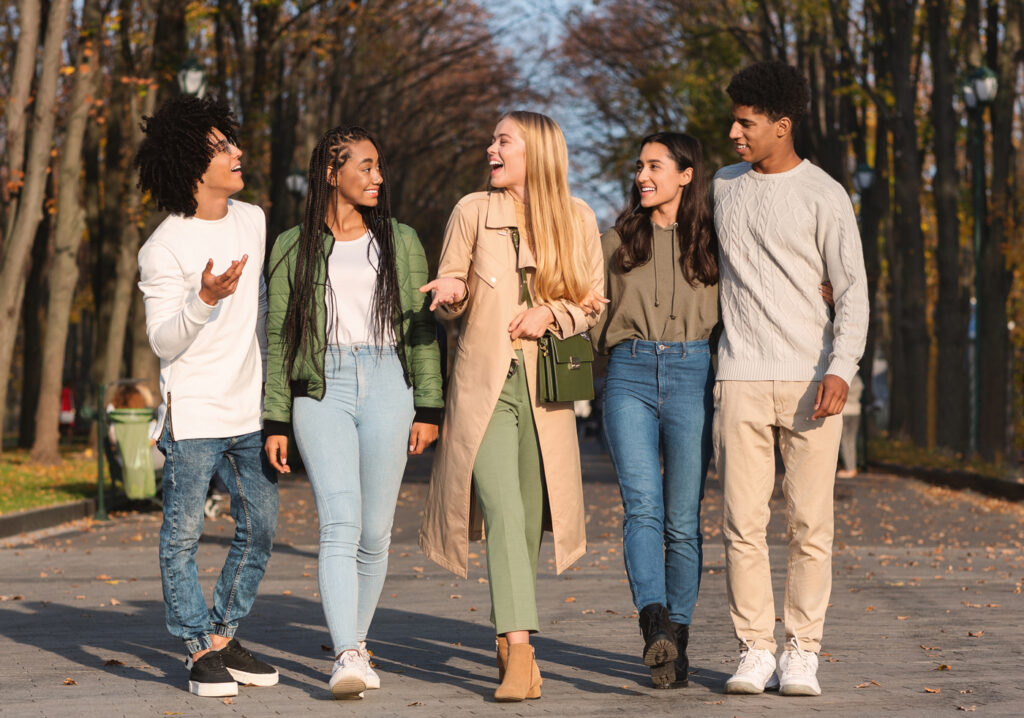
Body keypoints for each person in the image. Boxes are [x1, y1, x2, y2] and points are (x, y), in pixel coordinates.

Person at [418, 111, 605, 702]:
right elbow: (451, 285)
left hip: (548, 390)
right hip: (485, 386)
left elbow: (593, 304)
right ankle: (521, 652)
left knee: (525, 521)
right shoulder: (472, 210)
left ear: (537, 153)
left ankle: (508, 638)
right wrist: (450, 295)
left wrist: (551, 313)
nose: (490, 148)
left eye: (504, 140)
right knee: (500, 507)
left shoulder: (577, 218)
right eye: (493, 139)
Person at [262, 125, 443, 700]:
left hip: (390, 381)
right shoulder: (292, 245)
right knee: (339, 524)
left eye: (378, 166)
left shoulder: (401, 240)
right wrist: (276, 419)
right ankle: (345, 655)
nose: (377, 177)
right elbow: (277, 336)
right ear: (330, 173)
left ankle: (357, 646)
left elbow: (421, 327)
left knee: (376, 531)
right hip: (321, 386)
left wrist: (430, 404)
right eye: (364, 166)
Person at [712, 61, 869, 697]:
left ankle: (802, 649)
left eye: (746, 124)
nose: (733, 133)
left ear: (782, 126)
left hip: (811, 380)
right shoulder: (722, 187)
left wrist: (841, 367)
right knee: (741, 524)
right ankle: (755, 649)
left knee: (811, 526)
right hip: (741, 377)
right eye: (733, 121)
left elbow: (853, 290)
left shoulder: (825, 193)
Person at [135, 95, 279, 698]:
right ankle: (197, 647)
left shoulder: (254, 219)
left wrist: (276, 400)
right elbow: (165, 341)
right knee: (183, 536)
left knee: (262, 526)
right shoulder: (163, 247)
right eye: (223, 147)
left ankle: (222, 633)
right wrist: (206, 298)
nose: (237, 152)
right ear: (194, 162)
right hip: (193, 415)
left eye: (232, 142)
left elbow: (264, 311)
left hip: (249, 409)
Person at [591, 132, 718, 688]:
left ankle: (678, 644)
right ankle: (654, 625)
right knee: (642, 508)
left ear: (686, 175)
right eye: (639, 166)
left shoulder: (716, 240)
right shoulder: (614, 241)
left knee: (682, 521)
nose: (642, 175)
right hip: (630, 374)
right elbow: (587, 308)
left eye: (655, 166)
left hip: (694, 374)